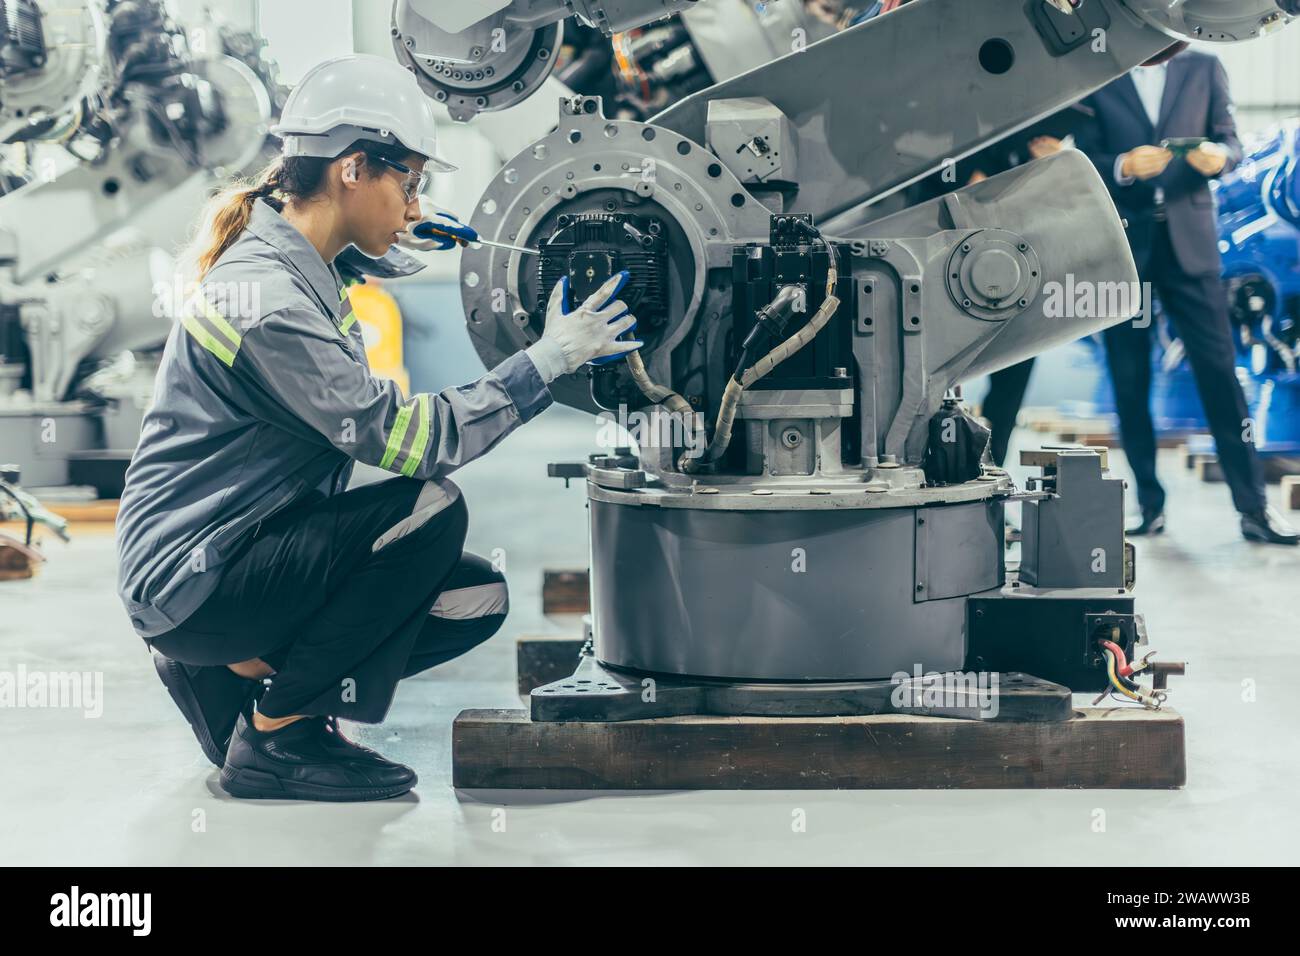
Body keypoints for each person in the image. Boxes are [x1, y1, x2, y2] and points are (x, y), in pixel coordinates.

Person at [115, 54, 644, 802]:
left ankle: (238, 678)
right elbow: (408, 439)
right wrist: (544, 363)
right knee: (431, 506)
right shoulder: (270, 299)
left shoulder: (284, 259)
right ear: (354, 168)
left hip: (222, 562)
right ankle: (275, 737)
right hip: (195, 581)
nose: (416, 200)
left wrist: (395, 244)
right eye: (410, 182)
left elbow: (327, 281)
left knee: (473, 600)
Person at [1075, 43, 1297, 544]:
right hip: (1124, 250)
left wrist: (1220, 157)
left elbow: (1232, 145)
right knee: (1129, 378)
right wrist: (1125, 166)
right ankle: (1149, 505)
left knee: (1220, 373)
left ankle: (1254, 510)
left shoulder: (1204, 67)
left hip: (1190, 248)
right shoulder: (1100, 71)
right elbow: (1083, 158)